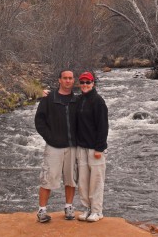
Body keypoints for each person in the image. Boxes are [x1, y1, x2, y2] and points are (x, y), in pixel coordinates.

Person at [34, 70, 78, 223]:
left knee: (71, 179)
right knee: (48, 178)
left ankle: (69, 207)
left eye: (70, 78)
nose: (67, 81)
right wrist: (50, 137)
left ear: (73, 81)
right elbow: (39, 122)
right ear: (59, 80)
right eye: (65, 78)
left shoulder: (77, 100)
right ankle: (42, 210)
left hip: (73, 146)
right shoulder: (49, 99)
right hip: (54, 147)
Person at [76, 71, 108, 222]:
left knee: (96, 180)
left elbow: (103, 127)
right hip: (81, 147)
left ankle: (97, 211)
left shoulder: (98, 101)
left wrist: (99, 148)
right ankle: (86, 208)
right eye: (82, 82)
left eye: (87, 82)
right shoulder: (79, 100)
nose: (84, 85)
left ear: (93, 83)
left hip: (95, 148)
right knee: (83, 181)